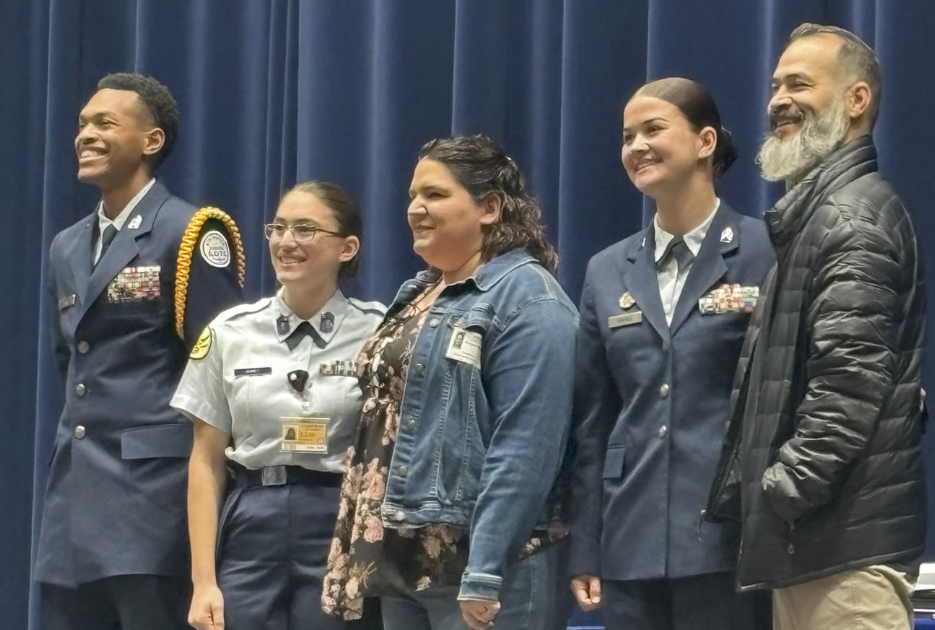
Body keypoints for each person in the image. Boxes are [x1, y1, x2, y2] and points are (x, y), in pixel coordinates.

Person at [706, 23, 926, 630]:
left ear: (857, 101)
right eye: (775, 85)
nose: (778, 99)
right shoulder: (822, 215)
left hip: (843, 563)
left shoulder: (850, 218)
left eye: (799, 83)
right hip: (821, 553)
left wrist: (779, 494)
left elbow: (848, 390)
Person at [322, 134, 578, 630]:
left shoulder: (530, 299)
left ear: (489, 207)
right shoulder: (418, 291)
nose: (415, 208)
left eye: (435, 195)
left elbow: (526, 447)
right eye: (412, 196)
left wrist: (485, 570)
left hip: (484, 565)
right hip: (403, 559)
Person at [36, 73, 244, 630]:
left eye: (105, 123)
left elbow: (220, 373)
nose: (86, 135)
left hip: (151, 503)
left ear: (151, 141)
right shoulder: (67, 245)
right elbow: (71, 360)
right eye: (82, 124)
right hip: (73, 504)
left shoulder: (190, 231)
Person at [568, 78, 773, 630]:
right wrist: (586, 545)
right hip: (630, 539)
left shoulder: (767, 249)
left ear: (705, 141)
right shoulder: (606, 270)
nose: (636, 146)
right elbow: (593, 421)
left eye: (653, 129)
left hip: (731, 540)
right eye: (627, 135)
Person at [171, 181, 386, 630]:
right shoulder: (230, 333)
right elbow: (205, 461)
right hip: (253, 517)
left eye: (306, 229)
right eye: (278, 227)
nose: (286, 242)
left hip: (340, 518)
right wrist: (203, 581)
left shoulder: (379, 333)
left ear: (347, 248)